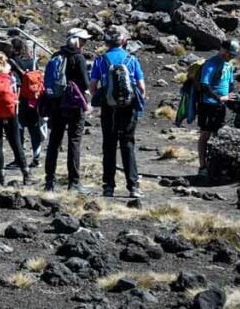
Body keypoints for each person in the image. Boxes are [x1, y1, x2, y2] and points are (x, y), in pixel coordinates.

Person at [89, 26, 146, 199]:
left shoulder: (101, 60)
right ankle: (133, 186)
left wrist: (104, 98)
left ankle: (108, 187)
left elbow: (92, 86)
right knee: (128, 144)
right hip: (128, 108)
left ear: (107, 42)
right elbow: (141, 87)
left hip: (109, 108)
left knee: (109, 145)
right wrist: (136, 100)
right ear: (123, 41)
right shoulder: (131, 59)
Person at [43, 28, 92, 193]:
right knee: (74, 141)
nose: (85, 44)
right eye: (83, 41)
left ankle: (49, 181)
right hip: (74, 105)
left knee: (54, 142)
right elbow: (85, 83)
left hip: (55, 105)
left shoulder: (56, 55)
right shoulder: (78, 58)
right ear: (77, 41)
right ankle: (74, 182)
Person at [197, 39, 239, 178]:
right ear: (223, 50)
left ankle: (215, 166)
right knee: (205, 135)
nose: (231, 57)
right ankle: (203, 167)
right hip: (208, 104)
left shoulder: (229, 64)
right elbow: (204, 85)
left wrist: (232, 99)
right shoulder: (211, 63)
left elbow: (230, 84)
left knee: (218, 134)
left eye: (232, 55)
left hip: (221, 105)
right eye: (229, 54)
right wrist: (219, 97)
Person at [0, 52, 31, 185]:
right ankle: (26, 174)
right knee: (16, 142)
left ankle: (1, 176)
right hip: (12, 112)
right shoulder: (12, 77)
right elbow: (18, 93)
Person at [8, 37, 45, 169]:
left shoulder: (12, 62)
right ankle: (36, 157)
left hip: (21, 99)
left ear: (14, 48)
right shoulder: (33, 62)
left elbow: (14, 82)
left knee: (19, 128)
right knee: (34, 128)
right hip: (34, 99)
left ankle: (20, 158)